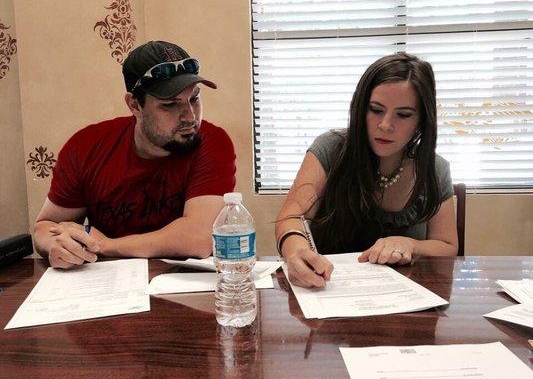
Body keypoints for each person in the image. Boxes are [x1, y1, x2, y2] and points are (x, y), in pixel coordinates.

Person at [34, 40, 236, 269]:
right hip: (105, 285)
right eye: (170, 104)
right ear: (134, 105)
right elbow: (45, 225)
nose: (190, 116)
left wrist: (107, 245)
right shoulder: (86, 147)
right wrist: (55, 245)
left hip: (183, 287)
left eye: (194, 98)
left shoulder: (212, 141)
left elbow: (198, 238)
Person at [275, 52, 458, 288]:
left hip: (405, 305)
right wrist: (295, 249)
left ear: (422, 120)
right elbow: (291, 216)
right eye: (375, 109)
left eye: (403, 114)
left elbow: (447, 245)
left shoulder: (435, 168)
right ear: (360, 108)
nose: (385, 125)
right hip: (328, 293)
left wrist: (410, 244)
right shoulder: (330, 149)